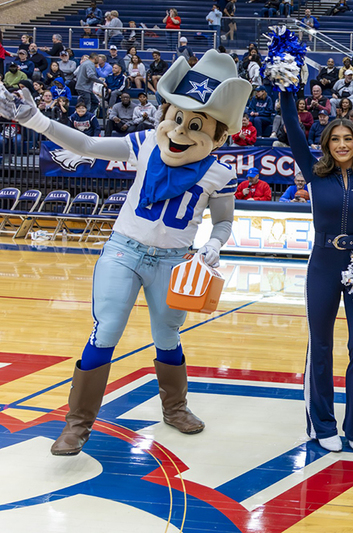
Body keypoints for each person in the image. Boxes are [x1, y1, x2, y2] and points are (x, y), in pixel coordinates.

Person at [0, 50, 252, 455]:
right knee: (108, 329)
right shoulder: (146, 143)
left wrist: (213, 243)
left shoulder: (220, 173)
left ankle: (175, 408)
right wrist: (37, 120)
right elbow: (87, 144)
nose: (181, 131)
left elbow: (223, 222)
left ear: (220, 136)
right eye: (177, 118)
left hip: (173, 261)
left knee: (167, 335)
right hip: (124, 250)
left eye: (196, 125)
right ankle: (77, 424)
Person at [277, 81, 353, 454]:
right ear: (327, 144)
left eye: (348, 139)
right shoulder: (315, 173)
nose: (342, 144)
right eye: (335, 139)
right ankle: (322, 424)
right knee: (321, 346)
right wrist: (285, 90)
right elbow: (292, 126)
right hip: (323, 266)